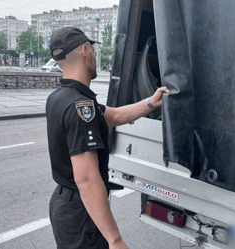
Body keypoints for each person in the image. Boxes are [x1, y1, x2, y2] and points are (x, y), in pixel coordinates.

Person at [46, 27, 169, 249]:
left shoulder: (59, 97)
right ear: (84, 50)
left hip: (64, 204)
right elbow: (87, 180)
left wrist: (151, 102)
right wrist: (115, 239)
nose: (94, 54)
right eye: (92, 49)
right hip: (81, 211)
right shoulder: (80, 107)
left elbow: (113, 115)